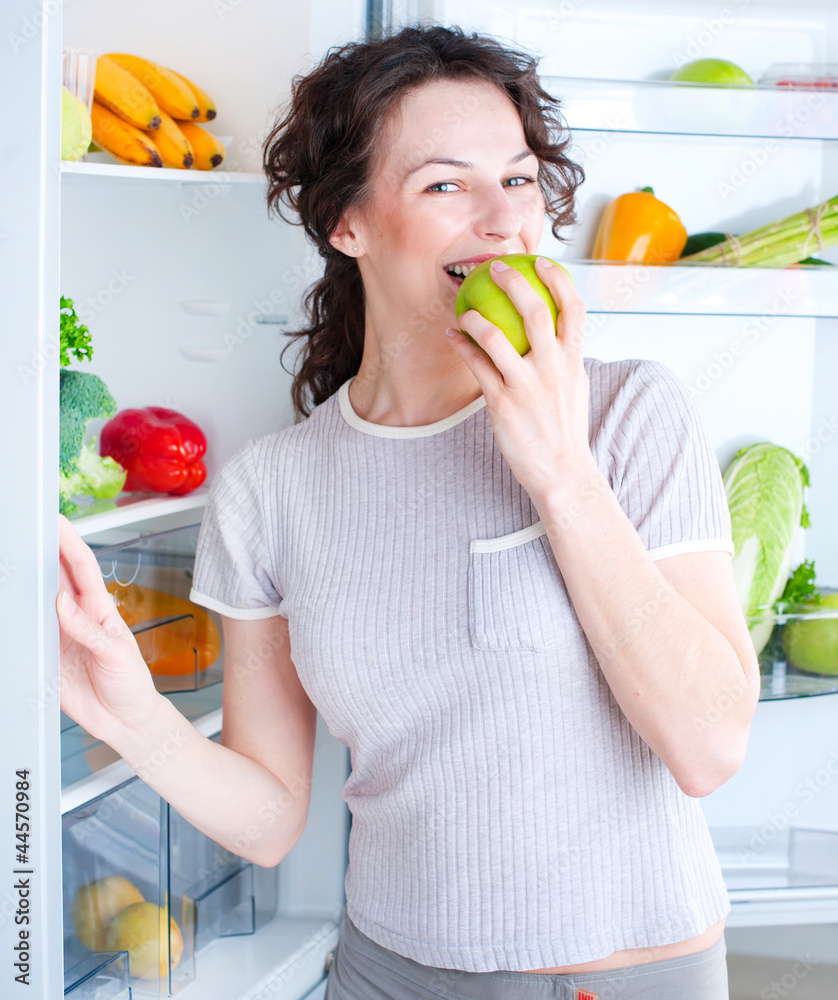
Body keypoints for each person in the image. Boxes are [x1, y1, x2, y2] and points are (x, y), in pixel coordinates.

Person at [57, 23, 761, 1000]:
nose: (505, 219)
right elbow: (268, 818)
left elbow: (709, 744)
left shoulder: (628, 411)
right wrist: (129, 713)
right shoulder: (274, 485)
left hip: (615, 980)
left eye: (518, 179)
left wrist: (559, 471)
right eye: (445, 185)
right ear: (346, 222)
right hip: (384, 973)